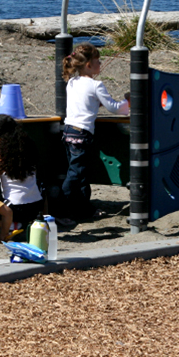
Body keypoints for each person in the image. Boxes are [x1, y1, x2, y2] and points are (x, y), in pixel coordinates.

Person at [61, 43, 130, 223]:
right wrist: (128, 101)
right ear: (89, 65)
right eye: (98, 61)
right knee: (76, 174)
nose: (100, 64)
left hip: (68, 131)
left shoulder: (72, 82)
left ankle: (84, 210)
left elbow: (84, 102)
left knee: (80, 173)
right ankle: (61, 209)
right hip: (82, 134)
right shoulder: (96, 85)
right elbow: (115, 109)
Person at [0, 114, 45, 227]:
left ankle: (13, 225)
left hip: (15, 208)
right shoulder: (30, 152)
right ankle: (30, 221)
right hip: (36, 206)